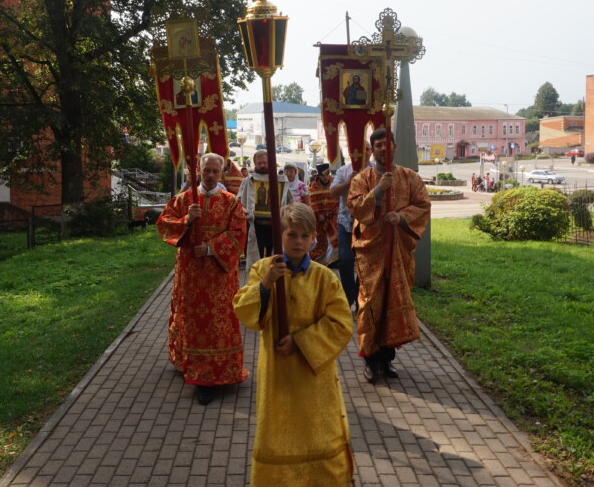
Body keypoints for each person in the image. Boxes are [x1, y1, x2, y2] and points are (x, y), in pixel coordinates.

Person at [233, 203, 354, 485]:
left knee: (319, 432)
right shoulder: (263, 269)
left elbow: (341, 324)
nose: (298, 242)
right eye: (292, 235)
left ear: (313, 238)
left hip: (314, 377)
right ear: (281, 236)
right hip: (277, 374)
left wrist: (301, 342)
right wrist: (265, 285)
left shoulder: (325, 278)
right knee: (278, 432)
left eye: (304, 236)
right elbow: (245, 312)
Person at [156, 153, 249, 405]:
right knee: (192, 321)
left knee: (219, 322)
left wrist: (209, 248)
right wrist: (187, 220)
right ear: (198, 170)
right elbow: (163, 224)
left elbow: (239, 234)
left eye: (214, 172)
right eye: (206, 170)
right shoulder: (184, 199)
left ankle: (220, 372)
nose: (210, 176)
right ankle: (195, 372)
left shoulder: (231, 203)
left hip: (219, 277)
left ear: (221, 174)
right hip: (191, 275)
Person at [348, 128, 431, 384]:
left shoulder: (410, 177)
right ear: (372, 150)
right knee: (371, 303)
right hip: (371, 252)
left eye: (387, 144)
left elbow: (423, 204)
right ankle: (370, 361)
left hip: (398, 251)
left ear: (395, 146)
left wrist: (401, 216)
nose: (383, 149)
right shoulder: (363, 179)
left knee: (392, 302)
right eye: (378, 145)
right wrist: (378, 191)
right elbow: (356, 206)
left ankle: (386, 359)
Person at [329, 144, 372, 309]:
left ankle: (357, 293)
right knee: (345, 260)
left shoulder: (376, 171)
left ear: (371, 152)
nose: (364, 152)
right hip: (346, 222)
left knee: (364, 262)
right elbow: (333, 192)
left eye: (367, 149)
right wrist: (348, 182)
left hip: (368, 224)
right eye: (361, 148)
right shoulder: (344, 171)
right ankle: (348, 296)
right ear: (352, 152)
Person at [238, 149, 291, 268]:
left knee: (276, 256)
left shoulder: (280, 181)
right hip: (255, 225)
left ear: (271, 162)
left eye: (265, 162)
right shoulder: (248, 181)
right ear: (254, 164)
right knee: (256, 260)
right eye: (259, 163)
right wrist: (245, 211)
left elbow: (290, 201)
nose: (263, 165)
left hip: (276, 225)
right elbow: (239, 201)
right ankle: (257, 283)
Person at [308, 163, 338, 265]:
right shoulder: (314, 185)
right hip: (319, 218)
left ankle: (333, 260)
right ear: (319, 175)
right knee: (321, 239)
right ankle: (321, 260)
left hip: (332, 215)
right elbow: (312, 201)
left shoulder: (334, 183)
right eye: (323, 176)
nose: (325, 178)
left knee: (334, 237)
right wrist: (318, 214)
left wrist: (333, 211)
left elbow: (337, 199)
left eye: (327, 175)